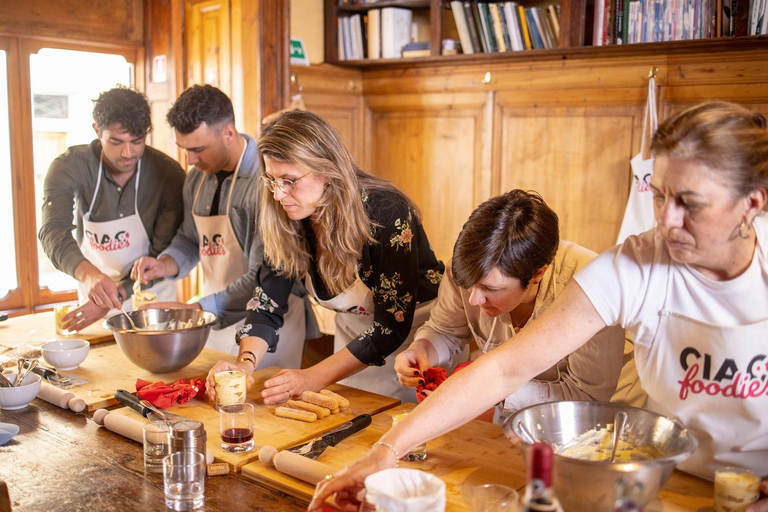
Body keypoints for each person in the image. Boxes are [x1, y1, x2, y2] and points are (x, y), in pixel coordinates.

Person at [310, 101, 768, 511]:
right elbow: (501, 370)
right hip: (665, 473)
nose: (666, 220)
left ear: (752, 203)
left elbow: (583, 394)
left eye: (690, 203)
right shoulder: (633, 266)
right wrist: (386, 451)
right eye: (661, 196)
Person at [205, 110, 445, 404]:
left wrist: (312, 377)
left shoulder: (385, 212)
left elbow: (390, 328)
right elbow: (266, 305)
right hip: (353, 346)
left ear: (327, 170)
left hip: (417, 341)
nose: (278, 195)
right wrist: (244, 365)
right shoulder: (290, 217)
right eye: (272, 180)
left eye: (290, 180)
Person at [395, 190, 627, 423]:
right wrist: (422, 350)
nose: (474, 300)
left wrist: (493, 386)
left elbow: (585, 398)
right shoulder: (465, 272)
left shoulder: (593, 289)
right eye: (468, 286)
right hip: (508, 409)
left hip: (588, 422)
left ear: (537, 274)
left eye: (490, 289)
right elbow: (445, 330)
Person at [131, 85, 311, 363]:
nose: (190, 160)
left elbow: (264, 275)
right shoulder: (196, 179)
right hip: (214, 317)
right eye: (185, 150)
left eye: (198, 149)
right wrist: (166, 263)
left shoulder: (267, 183)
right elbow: (190, 238)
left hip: (269, 322)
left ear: (228, 133)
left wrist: (196, 309)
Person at [39, 87, 185, 331]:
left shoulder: (168, 174)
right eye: (116, 142)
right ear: (97, 131)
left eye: (137, 141)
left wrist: (117, 294)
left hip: (152, 299)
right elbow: (52, 231)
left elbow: (162, 255)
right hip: (93, 297)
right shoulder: (69, 166)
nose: (127, 153)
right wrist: (89, 275)